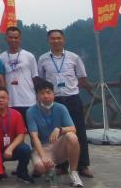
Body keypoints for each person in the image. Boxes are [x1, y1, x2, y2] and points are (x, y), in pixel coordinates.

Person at [37, 29, 93, 178]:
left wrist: (73, 89)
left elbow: (82, 78)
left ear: (63, 40)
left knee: (79, 132)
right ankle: (61, 166)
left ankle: (83, 165)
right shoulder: (43, 59)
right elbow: (41, 80)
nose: (56, 41)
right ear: (48, 40)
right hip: (54, 101)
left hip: (72, 98)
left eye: (58, 38)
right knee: (56, 133)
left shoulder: (74, 57)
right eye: (53, 38)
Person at [27, 79, 84, 188]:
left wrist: (59, 129)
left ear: (54, 93)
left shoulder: (61, 108)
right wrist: (43, 156)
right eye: (42, 93)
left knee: (72, 136)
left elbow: (73, 129)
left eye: (48, 92)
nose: (46, 96)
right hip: (42, 148)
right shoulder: (31, 111)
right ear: (37, 96)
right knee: (40, 167)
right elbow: (34, 137)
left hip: (58, 146)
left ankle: (73, 173)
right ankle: (50, 169)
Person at [0, 87, 33, 184]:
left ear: (8, 99)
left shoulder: (16, 114)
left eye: (3, 98)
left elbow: (21, 135)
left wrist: (10, 148)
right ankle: (0, 170)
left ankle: (22, 172)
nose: (1, 100)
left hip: (13, 148)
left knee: (25, 149)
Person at [0, 26, 39, 121]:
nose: (13, 40)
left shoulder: (29, 56)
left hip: (29, 101)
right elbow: (1, 80)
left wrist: (38, 98)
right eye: (10, 37)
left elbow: (35, 78)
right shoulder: (1, 58)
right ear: (6, 39)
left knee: (31, 128)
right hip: (10, 102)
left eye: (16, 37)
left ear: (20, 39)